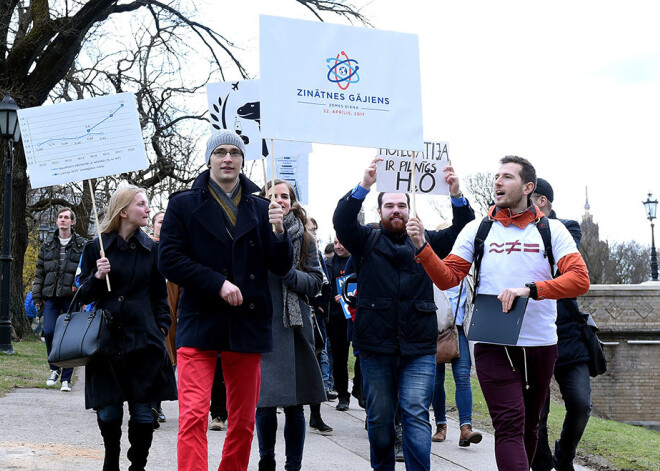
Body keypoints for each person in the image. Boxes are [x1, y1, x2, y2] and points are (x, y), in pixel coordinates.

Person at [407, 156, 590, 471]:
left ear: (528, 187)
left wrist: (531, 289)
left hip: (540, 342)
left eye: (507, 176)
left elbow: (580, 280)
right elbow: (448, 276)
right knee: (508, 424)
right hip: (491, 336)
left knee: (530, 426)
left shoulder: (552, 230)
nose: (498, 182)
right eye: (496, 176)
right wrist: (423, 247)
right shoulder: (478, 229)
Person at [158, 129, 293, 471]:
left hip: (247, 323)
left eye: (235, 152)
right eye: (221, 153)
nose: (228, 158)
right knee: (191, 417)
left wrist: (279, 233)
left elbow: (281, 266)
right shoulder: (183, 203)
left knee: (244, 422)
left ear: (243, 161)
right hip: (200, 320)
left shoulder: (264, 207)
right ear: (210, 159)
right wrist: (216, 283)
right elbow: (169, 259)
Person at [333, 156, 475, 471]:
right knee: (381, 417)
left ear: (410, 210)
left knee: (414, 412)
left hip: (419, 347)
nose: (396, 210)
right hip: (375, 347)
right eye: (389, 205)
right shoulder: (366, 240)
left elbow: (465, 231)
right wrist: (364, 185)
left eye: (402, 205)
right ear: (379, 211)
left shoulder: (428, 242)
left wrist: (456, 194)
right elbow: (342, 222)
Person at [78, 185, 177, 471]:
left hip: (144, 341)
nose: (148, 209)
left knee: (143, 412)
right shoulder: (95, 247)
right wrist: (97, 276)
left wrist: (160, 327)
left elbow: (160, 296)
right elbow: (83, 295)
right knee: (108, 409)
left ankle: (138, 465)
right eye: (142, 204)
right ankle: (111, 458)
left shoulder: (153, 250)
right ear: (123, 211)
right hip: (106, 342)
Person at [255, 179, 327, 471]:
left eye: (284, 196)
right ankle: (266, 460)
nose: (279, 200)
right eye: (272, 196)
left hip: (295, 324)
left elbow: (317, 281)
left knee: (296, 403)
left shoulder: (306, 236)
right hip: (263, 322)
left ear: (292, 201)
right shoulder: (253, 231)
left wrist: (290, 275)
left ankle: (293, 466)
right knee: (265, 401)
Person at [530, 178, 592, 471]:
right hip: (534, 331)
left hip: (567, 330)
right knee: (537, 416)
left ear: (541, 201)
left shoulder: (568, 228)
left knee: (581, 404)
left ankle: (563, 457)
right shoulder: (513, 233)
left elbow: (563, 266)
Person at [32, 207, 86, 392]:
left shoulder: (82, 244)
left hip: (71, 297)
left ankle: (66, 379)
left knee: (69, 338)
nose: (62, 220)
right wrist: (37, 295)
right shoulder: (47, 245)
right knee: (49, 332)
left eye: (66, 217)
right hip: (51, 296)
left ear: (72, 222)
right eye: (60, 217)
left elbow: (85, 269)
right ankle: (54, 369)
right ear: (57, 221)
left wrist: (80, 285)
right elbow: (40, 272)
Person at [431, 272, 482, 447]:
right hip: (436, 332)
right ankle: (441, 425)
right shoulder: (433, 267)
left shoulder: (468, 272)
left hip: (460, 332)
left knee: (463, 378)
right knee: (436, 382)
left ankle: (465, 428)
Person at [325, 236, 352, 411]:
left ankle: (360, 390)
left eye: (341, 242)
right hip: (335, 317)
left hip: (357, 316)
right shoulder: (328, 263)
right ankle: (343, 395)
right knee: (339, 357)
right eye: (335, 243)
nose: (338, 246)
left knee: (362, 357)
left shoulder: (358, 259)